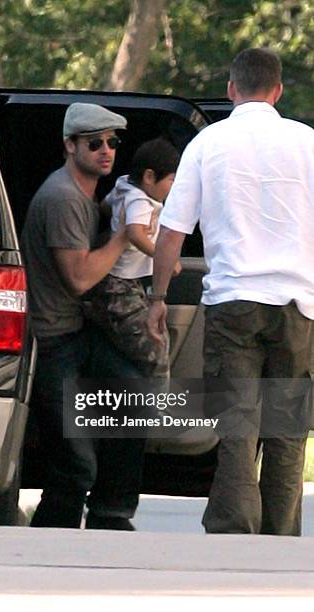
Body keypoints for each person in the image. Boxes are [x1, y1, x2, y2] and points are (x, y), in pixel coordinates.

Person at [147, 48, 314, 536]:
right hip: (300, 307)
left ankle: (233, 538)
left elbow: (172, 233)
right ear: (279, 90)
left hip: (234, 304)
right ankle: (280, 541)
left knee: (237, 427)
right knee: (287, 432)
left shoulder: (208, 143)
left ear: (231, 90)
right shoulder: (307, 142)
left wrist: (158, 298)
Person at [21, 102, 145, 530]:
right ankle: (47, 550)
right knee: (75, 465)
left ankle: (111, 515)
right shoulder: (63, 198)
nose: (106, 150)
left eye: (113, 142)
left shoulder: (86, 196)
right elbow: (77, 279)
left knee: (135, 395)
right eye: (94, 143)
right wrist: (125, 237)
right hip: (54, 343)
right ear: (69, 145)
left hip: (79, 336)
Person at [88, 138, 180, 378]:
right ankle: (157, 409)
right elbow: (135, 234)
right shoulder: (140, 200)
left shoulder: (123, 185)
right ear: (149, 177)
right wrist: (165, 260)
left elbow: (105, 207)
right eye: (172, 179)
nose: (175, 186)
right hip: (120, 285)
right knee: (156, 348)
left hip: (119, 280)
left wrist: (113, 222)